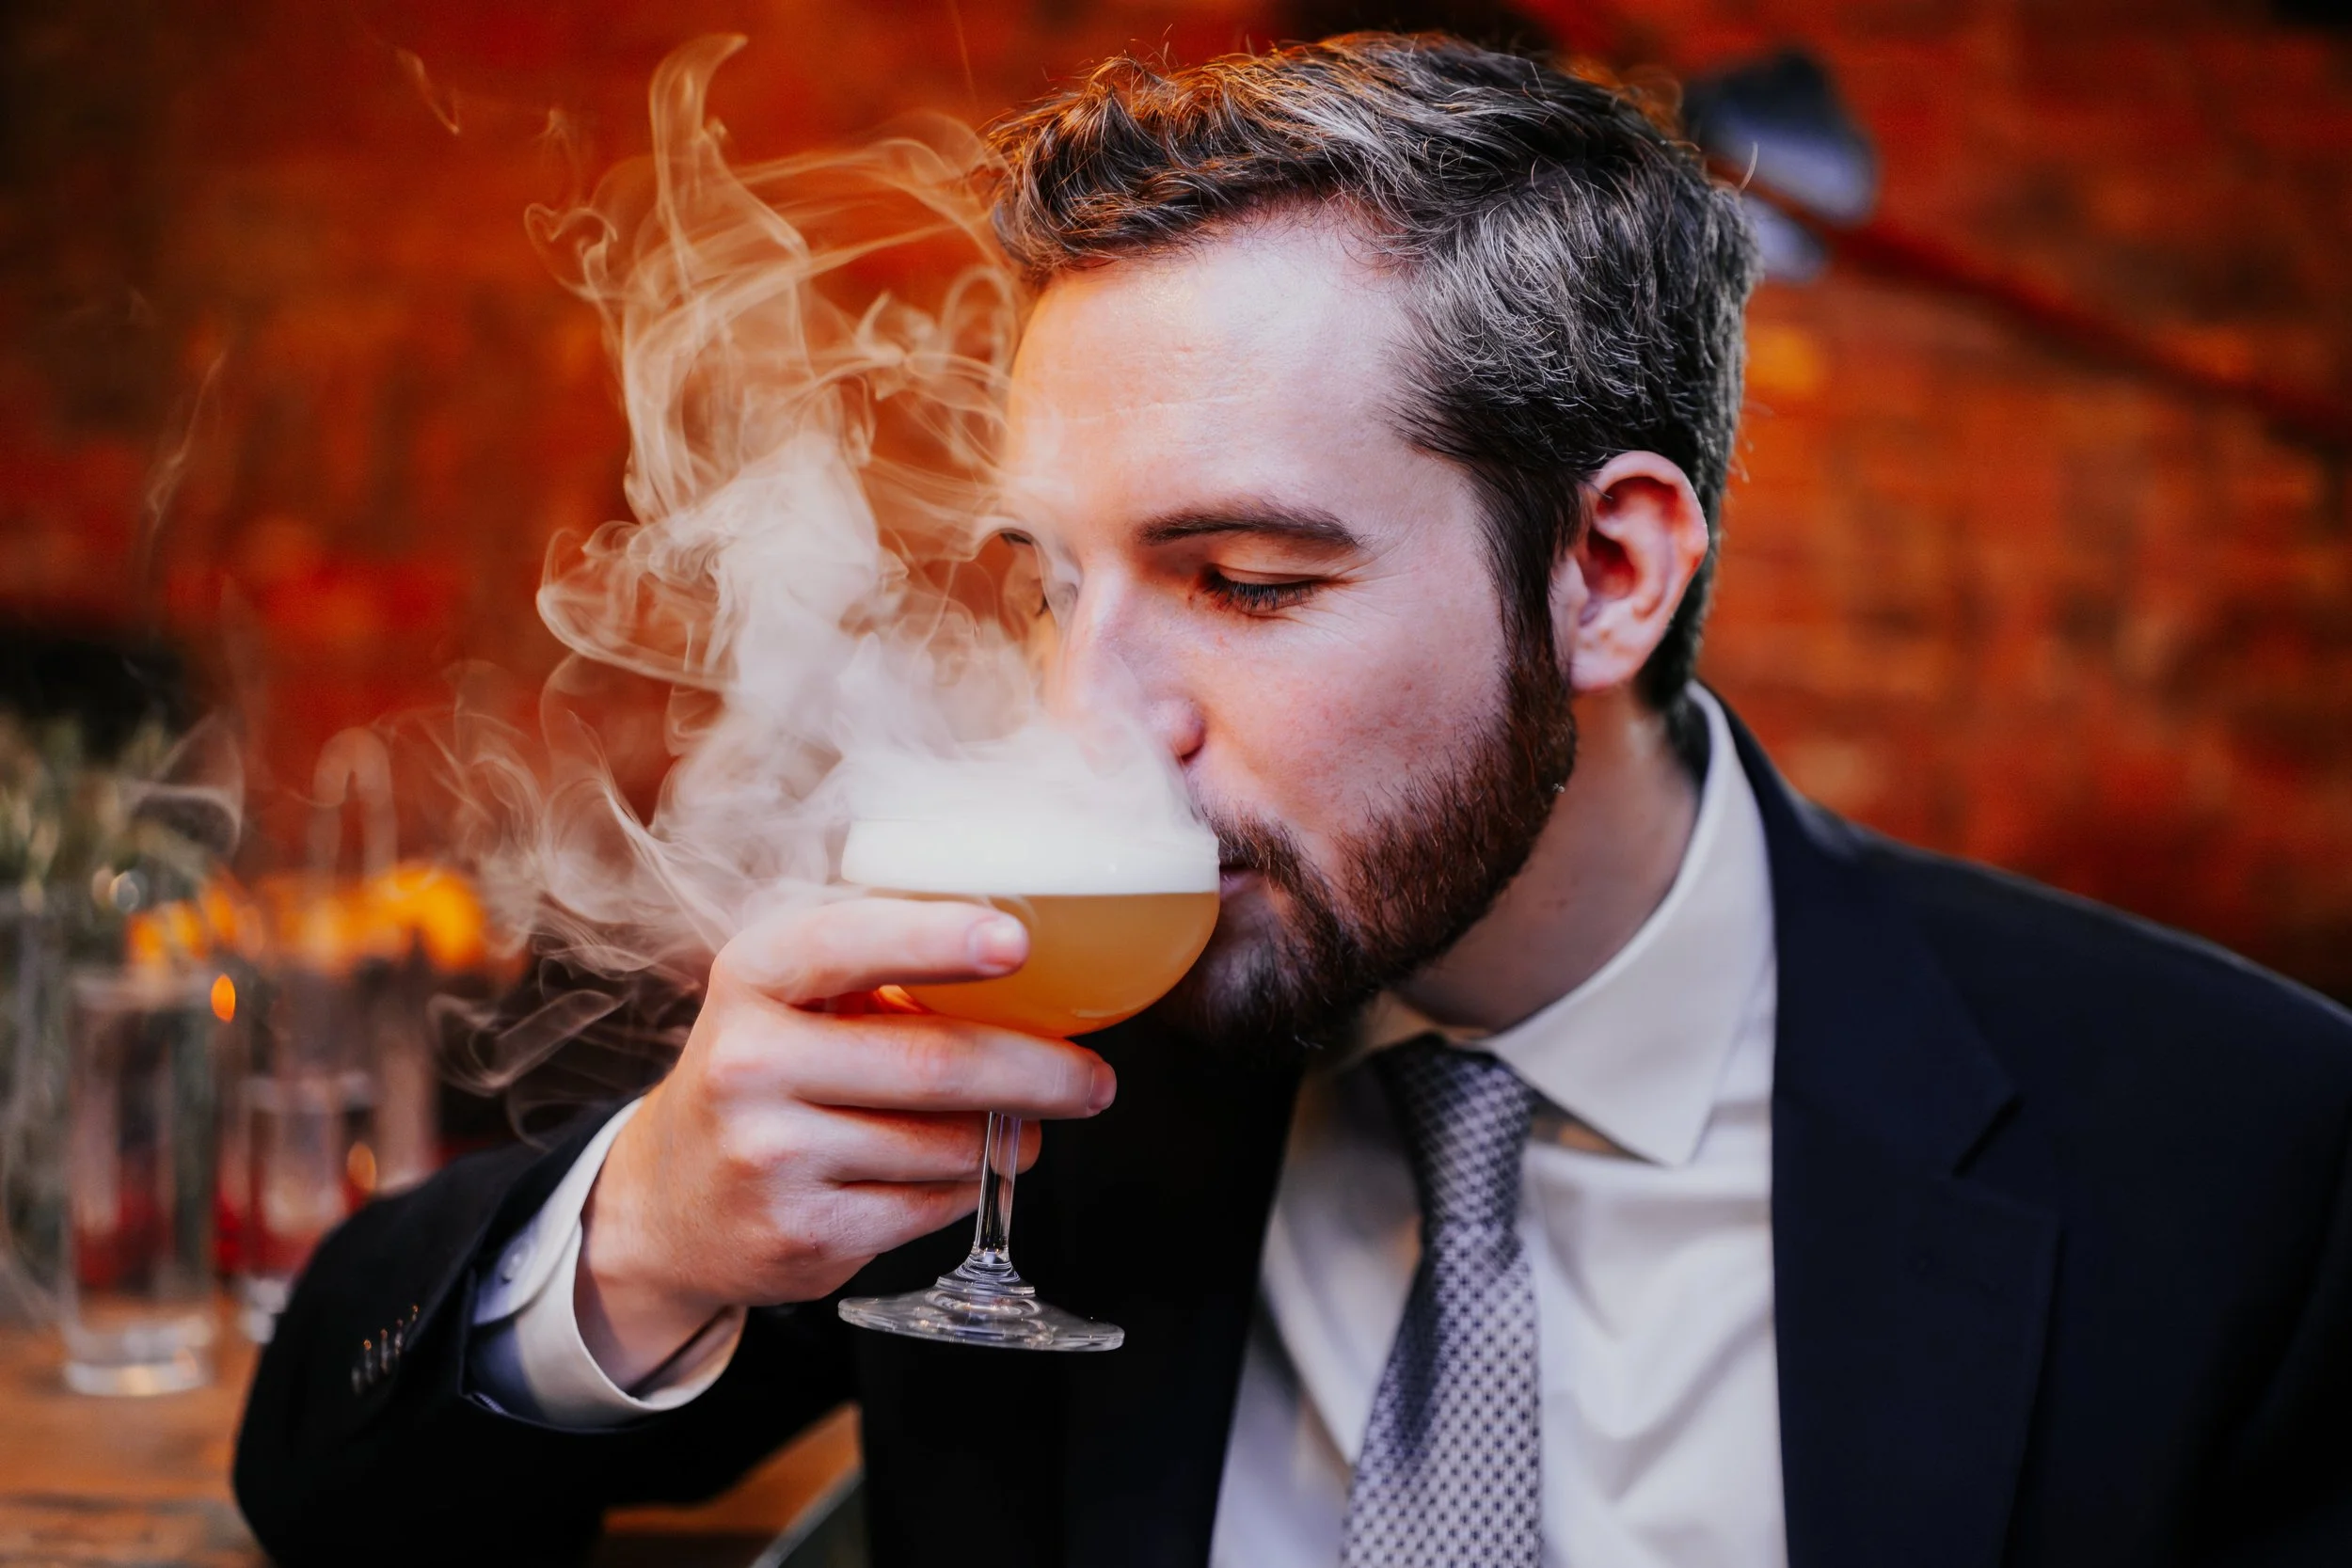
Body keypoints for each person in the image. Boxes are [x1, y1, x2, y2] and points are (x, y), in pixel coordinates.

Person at [233, 33, 2352, 1568]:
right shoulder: (1025, 1046)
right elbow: (334, 1475)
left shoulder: (2240, 1150)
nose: (1092, 722)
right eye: (1050, 585)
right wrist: (652, 1224)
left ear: (1608, 570)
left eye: (1244, 581)